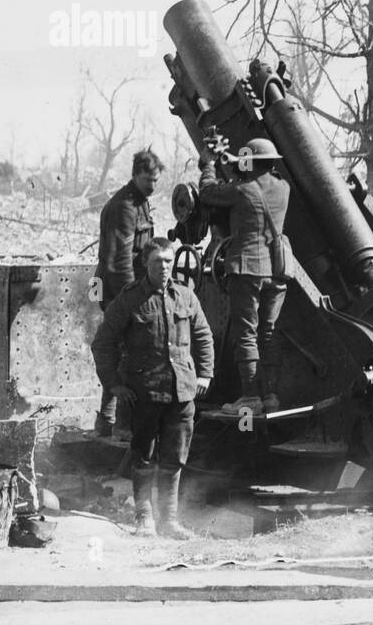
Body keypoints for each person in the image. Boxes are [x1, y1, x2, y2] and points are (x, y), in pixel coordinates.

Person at [91, 238, 213, 538]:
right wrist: (114, 385)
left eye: (169, 261)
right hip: (146, 393)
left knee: (175, 457)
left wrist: (205, 375)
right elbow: (102, 343)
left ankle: (169, 521)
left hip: (182, 392)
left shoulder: (186, 296)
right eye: (158, 261)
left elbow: (204, 336)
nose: (164, 266)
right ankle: (144, 517)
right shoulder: (130, 299)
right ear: (146, 263)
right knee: (143, 456)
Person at [198, 136, 291, 414]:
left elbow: (206, 192)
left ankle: (250, 397)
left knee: (246, 333)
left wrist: (209, 163)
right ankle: (270, 395)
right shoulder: (284, 188)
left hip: (247, 268)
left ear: (250, 161)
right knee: (269, 332)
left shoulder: (241, 191)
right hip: (277, 271)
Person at [92, 148, 162, 437]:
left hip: (125, 287)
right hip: (117, 290)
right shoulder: (125, 206)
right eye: (148, 179)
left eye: (156, 180)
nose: (153, 185)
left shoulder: (140, 202)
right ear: (135, 174)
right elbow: (120, 260)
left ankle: (108, 421)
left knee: (123, 354)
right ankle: (118, 425)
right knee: (125, 355)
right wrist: (133, 300)